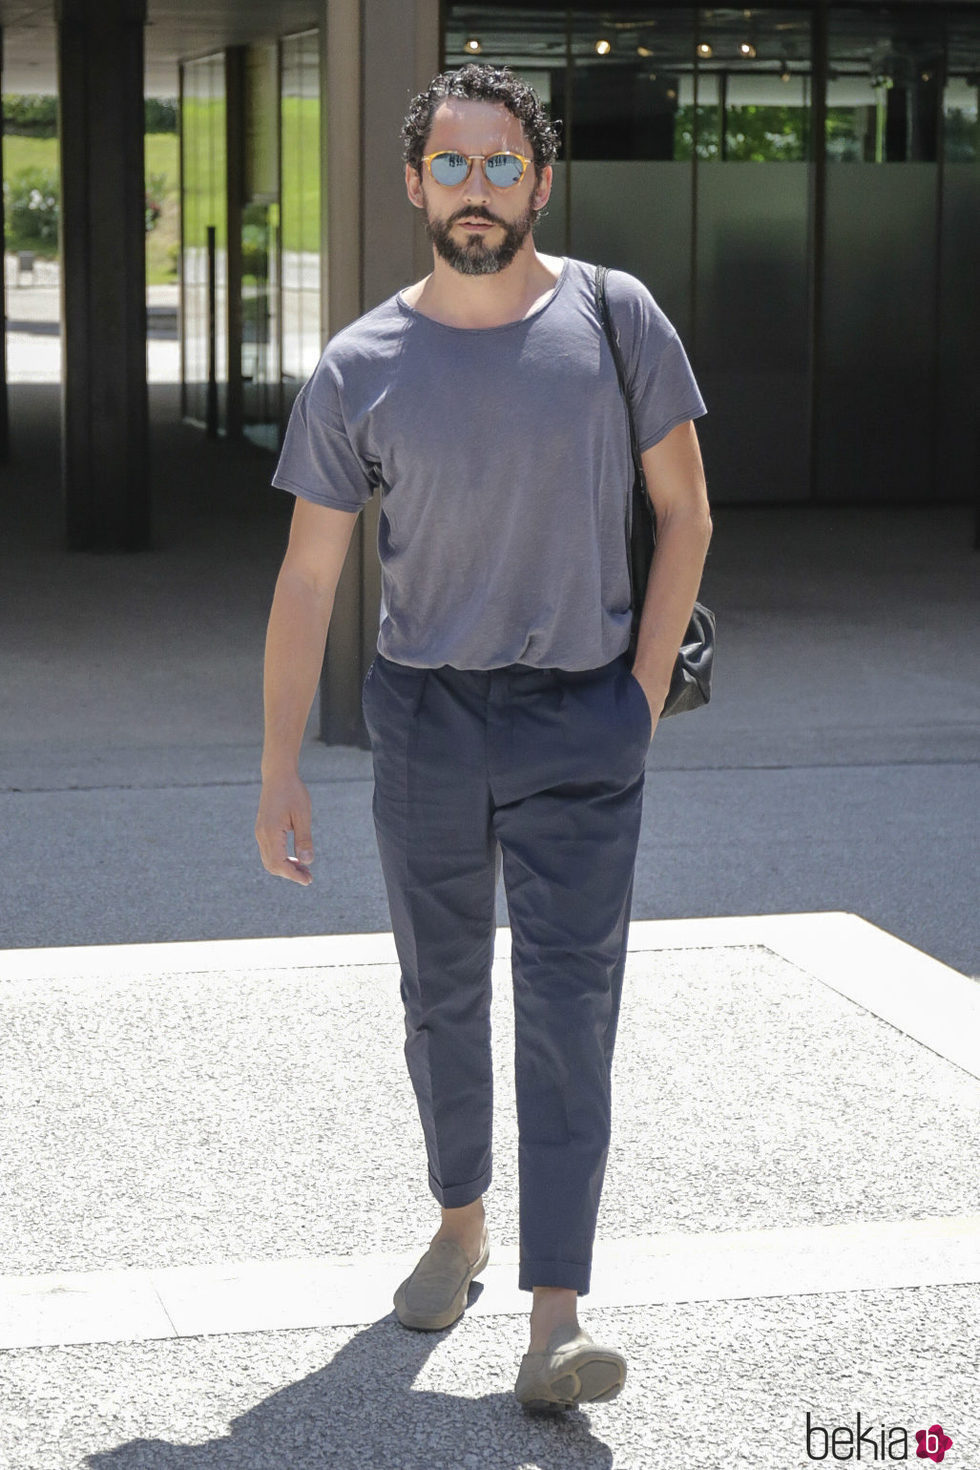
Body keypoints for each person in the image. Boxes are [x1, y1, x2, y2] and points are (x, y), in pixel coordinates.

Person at [255, 62, 712, 1413]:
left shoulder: (617, 319)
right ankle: (461, 1222)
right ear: (414, 185)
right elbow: (306, 578)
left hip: (582, 715)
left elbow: (685, 511)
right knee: (440, 992)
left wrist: (632, 697)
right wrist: (280, 761)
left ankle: (554, 1320)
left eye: (500, 166)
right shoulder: (360, 363)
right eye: (451, 167)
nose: (475, 191)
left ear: (541, 179)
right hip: (427, 716)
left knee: (569, 1012)